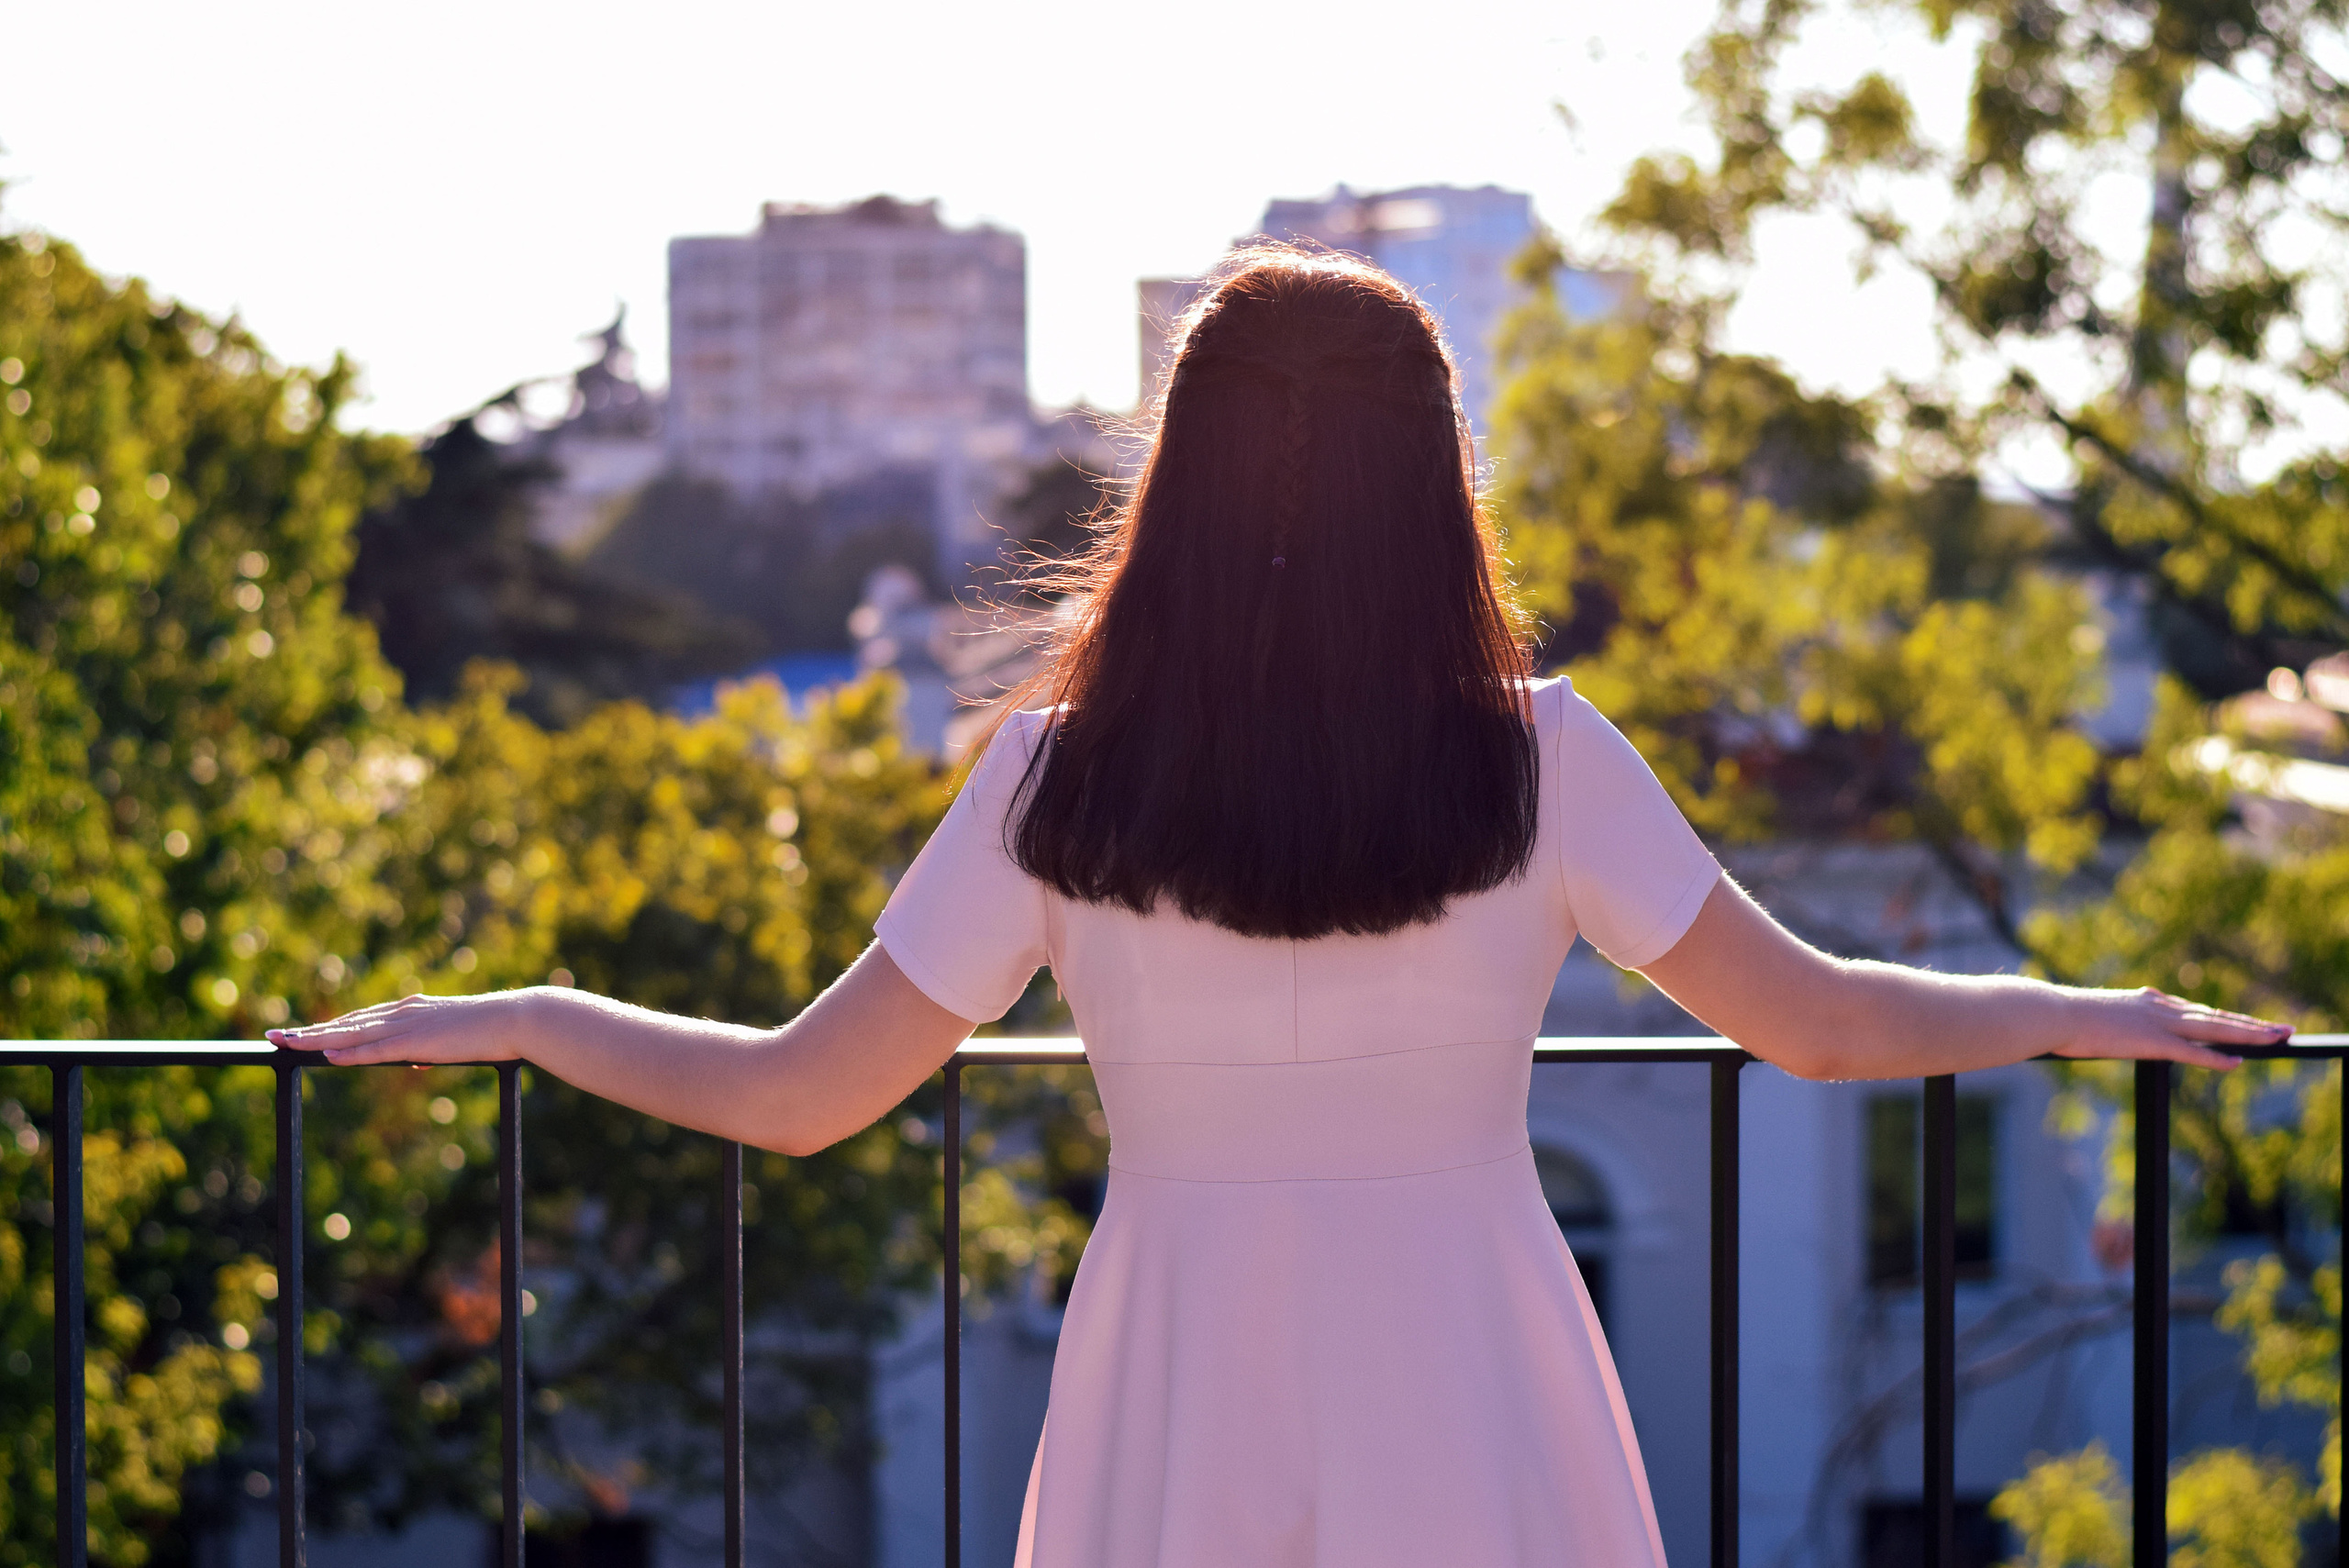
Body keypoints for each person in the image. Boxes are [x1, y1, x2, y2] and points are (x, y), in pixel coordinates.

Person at [273, 249, 2284, 1566]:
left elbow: (805, 1095)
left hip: (1180, 1367)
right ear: (1437, 482)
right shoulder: (1541, 754)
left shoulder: (1057, 771)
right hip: (1477, 1365)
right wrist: (2092, 1006)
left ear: (1183, 480)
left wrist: (531, 1011)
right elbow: (1824, 1022)